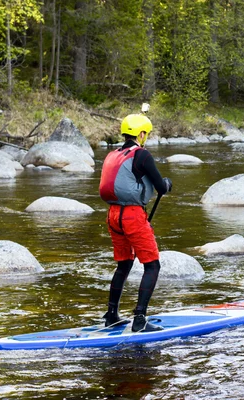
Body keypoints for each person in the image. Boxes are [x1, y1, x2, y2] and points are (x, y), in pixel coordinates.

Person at [98, 113, 172, 332]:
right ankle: (139, 320)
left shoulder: (113, 154)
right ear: (141, 134)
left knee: (124, 264)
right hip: (131, 216)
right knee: (152, 265)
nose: (146, 137)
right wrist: (167, 184)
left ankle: (112, 315)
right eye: (146, 133)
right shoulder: (142, 155)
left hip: (113, 215)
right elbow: (160, 187)